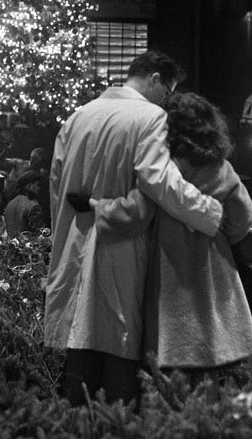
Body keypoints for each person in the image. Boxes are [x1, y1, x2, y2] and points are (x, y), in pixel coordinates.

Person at [44, 50, 224, 408]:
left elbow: (55, 184)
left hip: (74, 244)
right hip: (121, 247)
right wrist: (210, 213)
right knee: (118, 353)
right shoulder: (150, 116)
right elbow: (160, 181)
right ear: (155, 79)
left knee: (78, 351)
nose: (168, 100)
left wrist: (62, 235)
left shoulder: (78, 116)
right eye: (168, 90)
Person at [87, 92, 252, 385]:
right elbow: (242, 218)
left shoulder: (160, 168)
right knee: (210, 353)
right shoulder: (221, 168)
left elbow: (135, 214)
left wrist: (97, 210)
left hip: (166, 265)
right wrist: (218, 235)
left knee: (169, 360)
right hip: (213, 266)